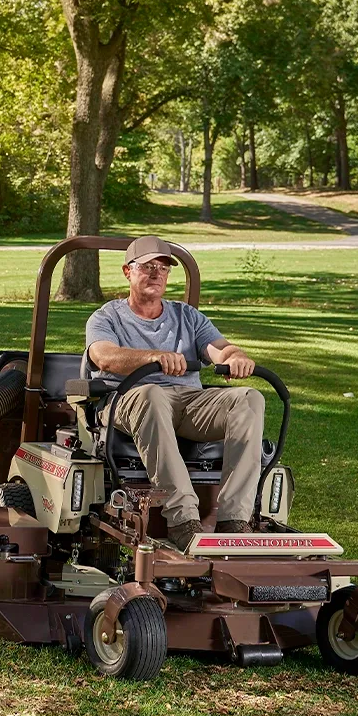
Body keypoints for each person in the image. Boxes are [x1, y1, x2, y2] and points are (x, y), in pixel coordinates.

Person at [85, 235, 264, 552]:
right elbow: (104, 356)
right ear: (128, 272)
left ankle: (235, 520)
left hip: (187, 402)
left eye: (163, 268)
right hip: (128, 398)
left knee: (249, 398)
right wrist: (151, 357)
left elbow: (220, 349)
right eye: (148, 267)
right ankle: (183, 520)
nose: (156, 274)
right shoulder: (106, 317)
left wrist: (235, 357)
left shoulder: (187, 316)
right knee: (151, 394)